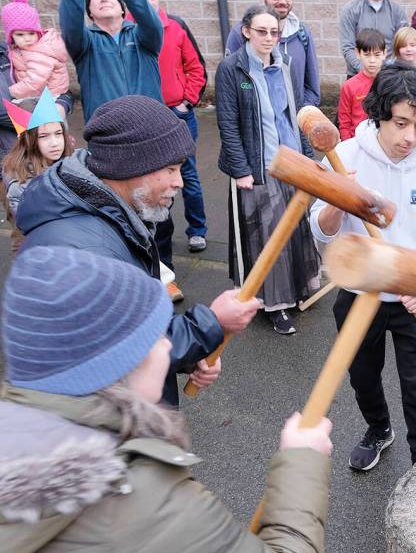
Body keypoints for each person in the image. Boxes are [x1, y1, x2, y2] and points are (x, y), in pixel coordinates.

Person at [0, 245, 333, 553]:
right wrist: (302, 463)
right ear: (121, 363)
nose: (167, 346)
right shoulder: (132, 500)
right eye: (156, 335)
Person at [16, 95, 260, 406]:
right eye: (170, 169)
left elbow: (136, 320)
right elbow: (125, 350)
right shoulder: (83, 251)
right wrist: (210, 324)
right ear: (129, 167)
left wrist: (191, 355)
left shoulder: (113, 213)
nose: (179, 182)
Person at [309, 66, 416, 470]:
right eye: (399, 123)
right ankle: (379, 430)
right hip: (360, 292)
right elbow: (321, 232)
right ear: (380, 114)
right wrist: (337, 201)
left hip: (413, 294)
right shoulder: (343, 157)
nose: (408, 137)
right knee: (362, 377)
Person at [215, 5, 321, 336]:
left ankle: (296, 291)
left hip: (289, 163)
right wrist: (241, 169)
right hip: (256, 167)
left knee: (291, 230)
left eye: (274, 32)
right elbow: (227, 124)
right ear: (246, 31)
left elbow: (293, 116)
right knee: (265, 237)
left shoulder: (284, 65)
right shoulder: (231, 69)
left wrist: (306, 158)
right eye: (262, 31)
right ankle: (274, 306)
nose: (269, 38)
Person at [131, 0, 210, 258]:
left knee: (186, 173)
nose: (148, 3)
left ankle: (197, 230)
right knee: (150, 178)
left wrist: (186, 102)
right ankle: (155, 233)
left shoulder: (175, 27)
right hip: (145, 119)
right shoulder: (127, 32)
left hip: (178, 116)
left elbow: (196, 68)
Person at [58, 0, 162, 121]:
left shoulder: (142, 38)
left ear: (123, 9)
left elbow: (151, 21)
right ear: (90, 13)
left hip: (151, 127)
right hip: (107, 133)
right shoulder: (85, 44)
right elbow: (71, 25)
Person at [226, 0, 321, 109]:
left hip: (294, 127)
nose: (282, 1)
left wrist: (300, 116)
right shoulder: (241, 34)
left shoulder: (302, 34)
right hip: (257, 124)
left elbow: (312, 89)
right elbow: (232, 86)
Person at [1, 91, 71, 252]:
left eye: (58, 133)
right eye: (44, 136)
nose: (54, 143)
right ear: (29, 141)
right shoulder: (20, 181)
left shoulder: (71, 161)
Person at [1, 41, 73, 163]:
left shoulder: (13, 48)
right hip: (14, 154)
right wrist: (50, 125)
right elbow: (3, 113)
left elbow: (59, 86)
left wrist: (62, 104)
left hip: (50, 151)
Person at [340, 0, 408, 76]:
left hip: (388, 77)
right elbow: (348, 48)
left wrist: (385, 72)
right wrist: (366, 71)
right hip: (358, 75)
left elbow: (401, 46)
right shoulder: (350, 10)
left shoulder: (398, 12)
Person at [2, 0, 70, 102]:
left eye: (31, 33)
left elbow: (35, 80)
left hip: (50, 97)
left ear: (38, 32)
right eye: (20, 34)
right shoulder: (21, 49)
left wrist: (10, 92)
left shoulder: (39, 52)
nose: (27, 38)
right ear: (11, 36)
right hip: (38, 94)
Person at [338, 28, 386, 141]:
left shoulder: (389, 83)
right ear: (358, 54)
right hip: (356, 142)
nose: (372, 60)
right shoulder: (349, 86)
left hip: (383, 143)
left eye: (377, 55)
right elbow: (344, 121)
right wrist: (348, 144)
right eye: (367, 55)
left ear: (384, 54)